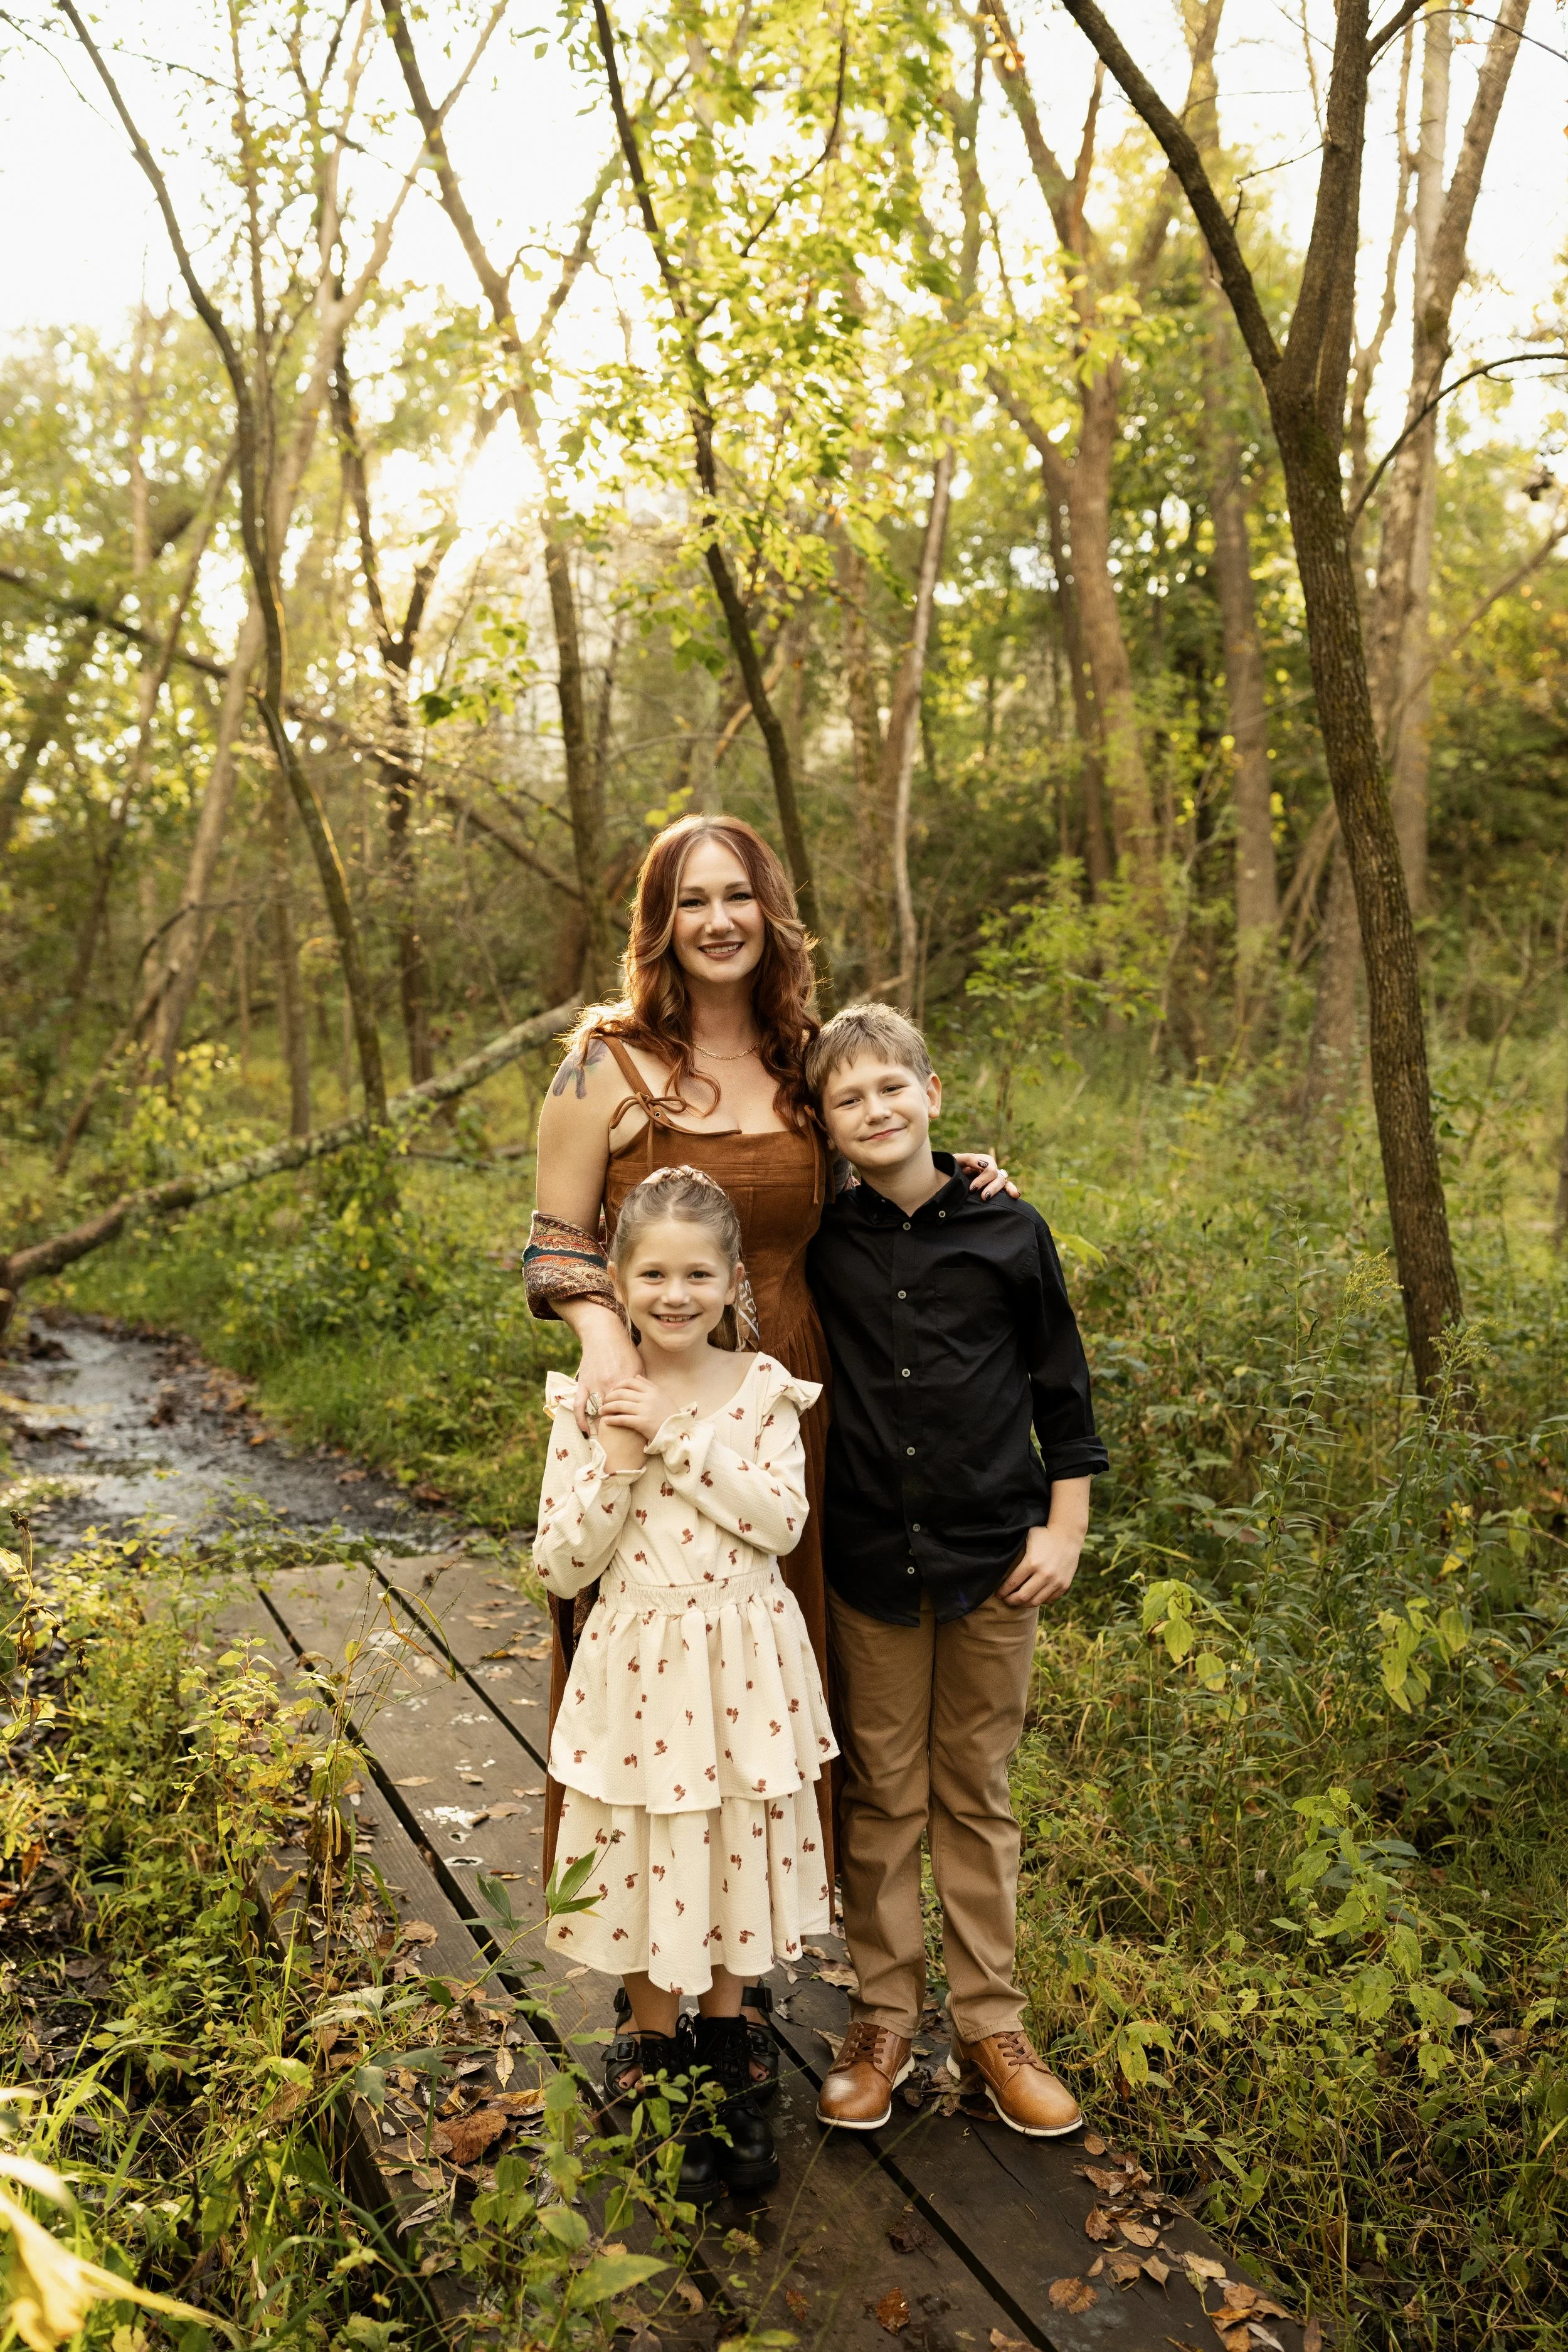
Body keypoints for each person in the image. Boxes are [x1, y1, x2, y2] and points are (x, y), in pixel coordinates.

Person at [524, 812, 1014, 2096]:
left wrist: (958, 1174)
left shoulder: (805, 1063)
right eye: (690, 900)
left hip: (791, 1405)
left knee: (776, 1689)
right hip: (643, 1401)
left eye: (736, 894)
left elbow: (871, 1164)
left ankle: (746, 1993)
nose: (717, 920)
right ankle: (645, 1993)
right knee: (644, 1697)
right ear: (659, 922)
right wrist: (606, 1351)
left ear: (769, 909)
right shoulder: (603, 1066)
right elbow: (556, 1238)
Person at [803, 1002, 1109, 2138]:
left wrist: (1063, 1528)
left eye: (893, 1086)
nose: (875, 1109)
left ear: (932, 1093)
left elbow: (1062, 1391)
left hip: (995, 1559)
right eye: (848, 1098)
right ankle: (882, 2019)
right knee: (882, 1794)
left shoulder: (1009, 1228)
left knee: (975, 1791)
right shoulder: (820, 1243)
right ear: (825, 1125)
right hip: (869, 1560)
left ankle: (991, 2027)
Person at [532, 1163, 835, 2201]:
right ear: (617, 1282)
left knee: (733, 1833)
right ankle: (655, 2052)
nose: (675, 1294)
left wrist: (675, 1436)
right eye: (653, 1273)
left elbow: (781, 1522)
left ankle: (730, 2040)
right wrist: (621, 1459)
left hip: (745, 1662)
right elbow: (559, 1563)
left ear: (732, 1279)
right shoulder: (587, 1402)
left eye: (698, 1274)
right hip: (640, 1665)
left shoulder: (761, 1389)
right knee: (646, 1840)